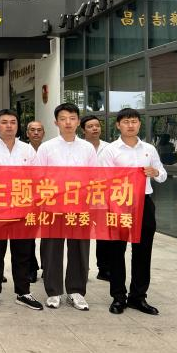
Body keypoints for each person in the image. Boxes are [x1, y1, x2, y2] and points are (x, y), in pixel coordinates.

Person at [100, 108, 166, 315]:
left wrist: (155, 172)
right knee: (116, 251)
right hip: (118, 203)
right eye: (126, 122)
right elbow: (103, 179)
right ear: (118, 125)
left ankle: (138, 297)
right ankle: (118, 297)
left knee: (143, 251)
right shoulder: (110, 150)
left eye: (134, 121)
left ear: (139, 124)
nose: (131, 125)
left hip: (144, 203)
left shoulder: (149, 149)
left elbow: (162, 174)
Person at [0, 109, 43, 311]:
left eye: (13, 122)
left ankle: (23, 292)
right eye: (4, 122)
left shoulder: (27, 150)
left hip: (22, 211)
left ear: (17, 125)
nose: (9, 126)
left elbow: (37, 179)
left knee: (23, 254)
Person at [36, 103, 98, 311]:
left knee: (79, 249)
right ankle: (53, 292)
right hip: (53, 206)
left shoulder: (87, 148)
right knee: (51, 249)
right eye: (63, 119)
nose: (68, 122)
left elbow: (94, 176)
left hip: (80, 206)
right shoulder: (47, 148)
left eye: (72, 118)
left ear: (78, 121)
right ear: (56, 123)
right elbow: (38, 176)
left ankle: (76, 291)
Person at [81, 114, 111, 282]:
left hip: (102, 196)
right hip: (82, 196)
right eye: (90, 126)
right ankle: (82, 268)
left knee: (103, 232)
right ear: (83, 130)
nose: (95, 129)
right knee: (82, 233)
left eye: (97, 126)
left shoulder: (109, 148)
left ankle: (104, 268)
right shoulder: (78, 147)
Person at [25, 119, 45, 281]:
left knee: (48, 236)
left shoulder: (50, 149)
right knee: (29, 237)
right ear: (27, 133)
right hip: (28, 200)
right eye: (32, 130)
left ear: (43, 133)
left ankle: (47, 266)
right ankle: (31, 267)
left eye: (39, 130)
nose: (36, 133)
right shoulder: (22, 150)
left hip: (48, 199)